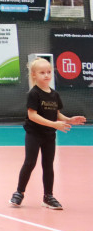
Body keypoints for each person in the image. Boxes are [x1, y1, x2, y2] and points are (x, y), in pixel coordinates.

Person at [10, 57, 85, 209]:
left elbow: (57, 114)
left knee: (48, 165)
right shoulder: (34, 93)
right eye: (42, 72)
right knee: (30, 162)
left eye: (49, 72)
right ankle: (19, 192)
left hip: (49, 135)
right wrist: (54, 124)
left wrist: (69, 119)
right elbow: (32, 115)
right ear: (34, 75)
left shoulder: (55, 95)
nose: (46, 75)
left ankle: (48, 196)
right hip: (34, 134)